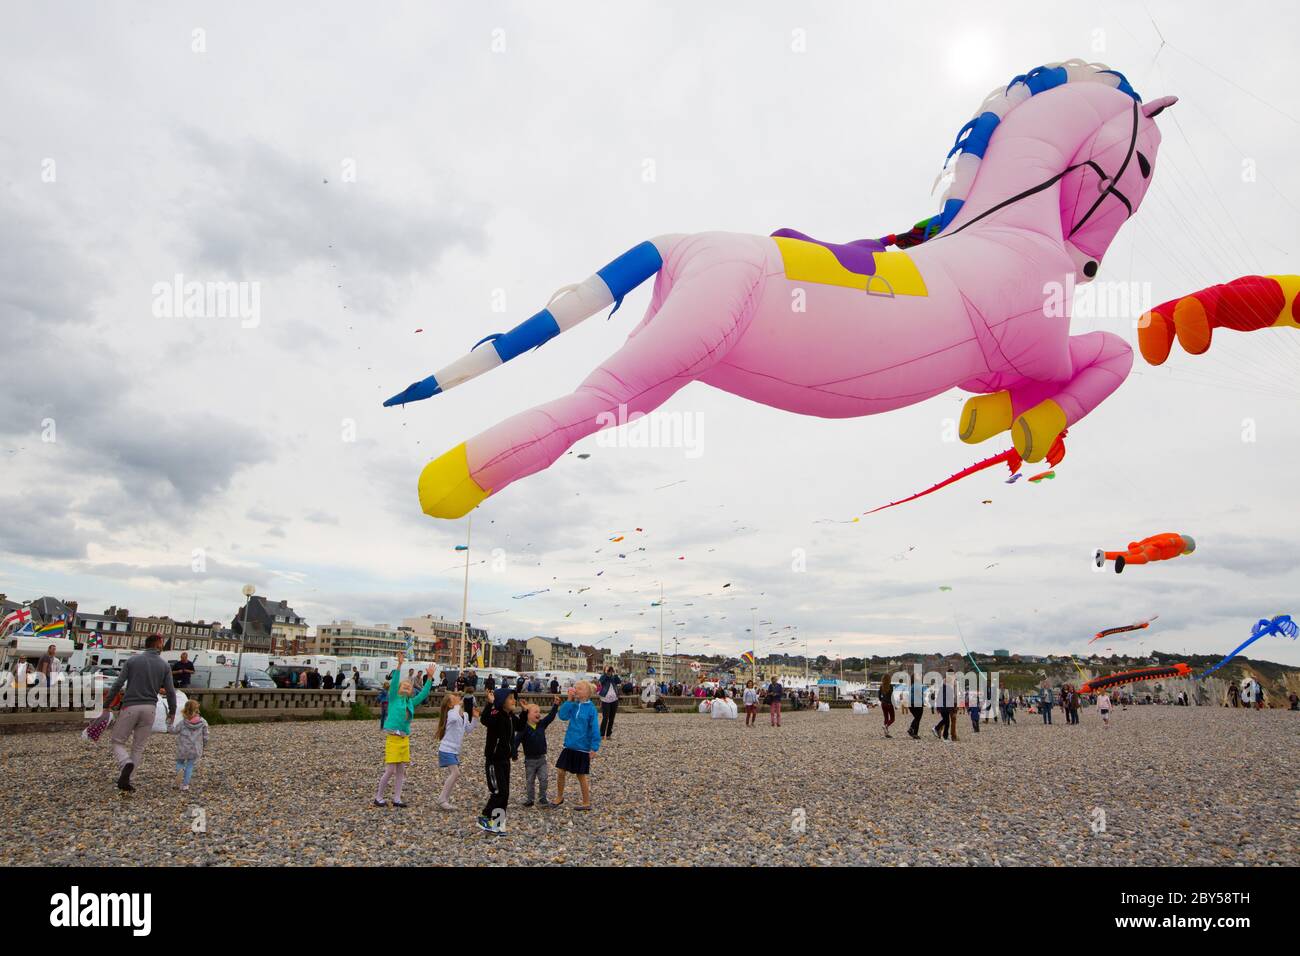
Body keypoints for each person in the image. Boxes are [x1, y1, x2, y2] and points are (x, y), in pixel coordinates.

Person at [106, 633, 177, 792]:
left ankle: (126, 763)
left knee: (117, 741)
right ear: (158, 643)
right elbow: (171, 692)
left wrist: (107, 704)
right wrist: (172, 711)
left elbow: (118, 684)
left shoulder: (132, 661)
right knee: (138, 747)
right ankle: (128, 780)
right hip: (150, 708)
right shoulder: (164, 665)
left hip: (131, 706)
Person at [374, 653, 437, 808]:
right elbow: (395, 682)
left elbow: (423, 695)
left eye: (408, 687)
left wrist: (429, 678)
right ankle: (379, 797)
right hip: (393, 739)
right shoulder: (394, 698)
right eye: (404, 685)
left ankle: (397, 798)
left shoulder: (410, 702)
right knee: (390, 770)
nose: (406, 687)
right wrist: (399, 665)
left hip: (404, 739)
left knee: (401, 771)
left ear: (410, 691)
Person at [554, 681, 600, 811]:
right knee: (560, 771)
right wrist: (568, 700)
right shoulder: (573, 706)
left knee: (581, 775)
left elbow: (595, 729)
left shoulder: (591, 709)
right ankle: (559, 797)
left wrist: (594, 747)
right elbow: (562, 716)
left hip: (582, 748)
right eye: (575, 688)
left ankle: (586, 802)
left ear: (587, 693)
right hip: (569, 745)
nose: (576, 690)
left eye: (579, 688)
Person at [478, 687, 518, 833]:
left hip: (505, 759)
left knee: (505, 792)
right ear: (502, 701)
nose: (514, 700)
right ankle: (485, 816)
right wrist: (491, 704)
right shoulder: (496, 714)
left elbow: (520, 726)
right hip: (494, 760)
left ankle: (498, 824)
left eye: (514, 697)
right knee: (498, 791)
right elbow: (485, 719)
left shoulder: (510, 716)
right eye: (511, 698)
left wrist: (526, 713)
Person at [514, 696, 561, 807]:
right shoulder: (523, 728)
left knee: (544, 779)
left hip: (541, 759)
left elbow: (550, 717)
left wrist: (555, 705)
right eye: (535, 712)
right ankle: (530, 799)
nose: (538, 714)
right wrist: (514, 753)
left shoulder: (541, 724)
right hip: (529, 760)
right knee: (530, 781)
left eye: (539, 712)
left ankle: (542, 798)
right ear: (528, 714)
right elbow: (516, 741)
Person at [435, 692, 476, 810]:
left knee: (455, 774)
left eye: (457, 697)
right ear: (449, 704)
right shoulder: (451, 713)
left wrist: (475, 718)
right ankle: (442, 799)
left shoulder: (464, 715)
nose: (458, 698)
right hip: (446, 749)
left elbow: (468, 729)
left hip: (454, 750)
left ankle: (443, 799)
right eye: (455, 698)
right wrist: (458, 706)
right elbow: (453, 717)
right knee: (455, 773)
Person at [168, 698, 210, 791]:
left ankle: (180, 771)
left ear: (185, 710)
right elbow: (206, 736)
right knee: (190, 766)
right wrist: (204, 745)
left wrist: (169, 724)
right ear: (197, 709)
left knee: (180, 762)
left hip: (183, 748)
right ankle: (185, 785)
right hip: (195, 749)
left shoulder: (183, 722)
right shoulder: (203, 722)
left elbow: (173, 731)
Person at [597, 666, 621, 739]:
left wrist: (615, 673)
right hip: (605, 699)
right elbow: (601, 681)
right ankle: (601, 734)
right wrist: (606, 673)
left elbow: (619, 681)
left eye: (610, 670)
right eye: (608, 670)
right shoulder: (603, 677)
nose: (610, 671)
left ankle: (608, 734)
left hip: (614, 699)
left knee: (612, 718)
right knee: (605, 718)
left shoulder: (614, 678)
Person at [933, 669, 956, 741]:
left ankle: (943, 734)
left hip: (945, 706)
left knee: (946, 721)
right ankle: (937, 729)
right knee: (947, 722)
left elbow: (940, 696)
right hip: (945, 706)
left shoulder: (946, 686)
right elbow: (948, 698)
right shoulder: (947, 686)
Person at [879, 673, 895, 738]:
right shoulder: (890, 686)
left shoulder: (881, 686)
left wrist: (882, 701)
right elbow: (892, 697)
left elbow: (879, 696)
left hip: (883, 704)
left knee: (886, 718)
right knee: (892, 719)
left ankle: (886, 733)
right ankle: (886, 726)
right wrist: (895, 704)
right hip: (889, 704)